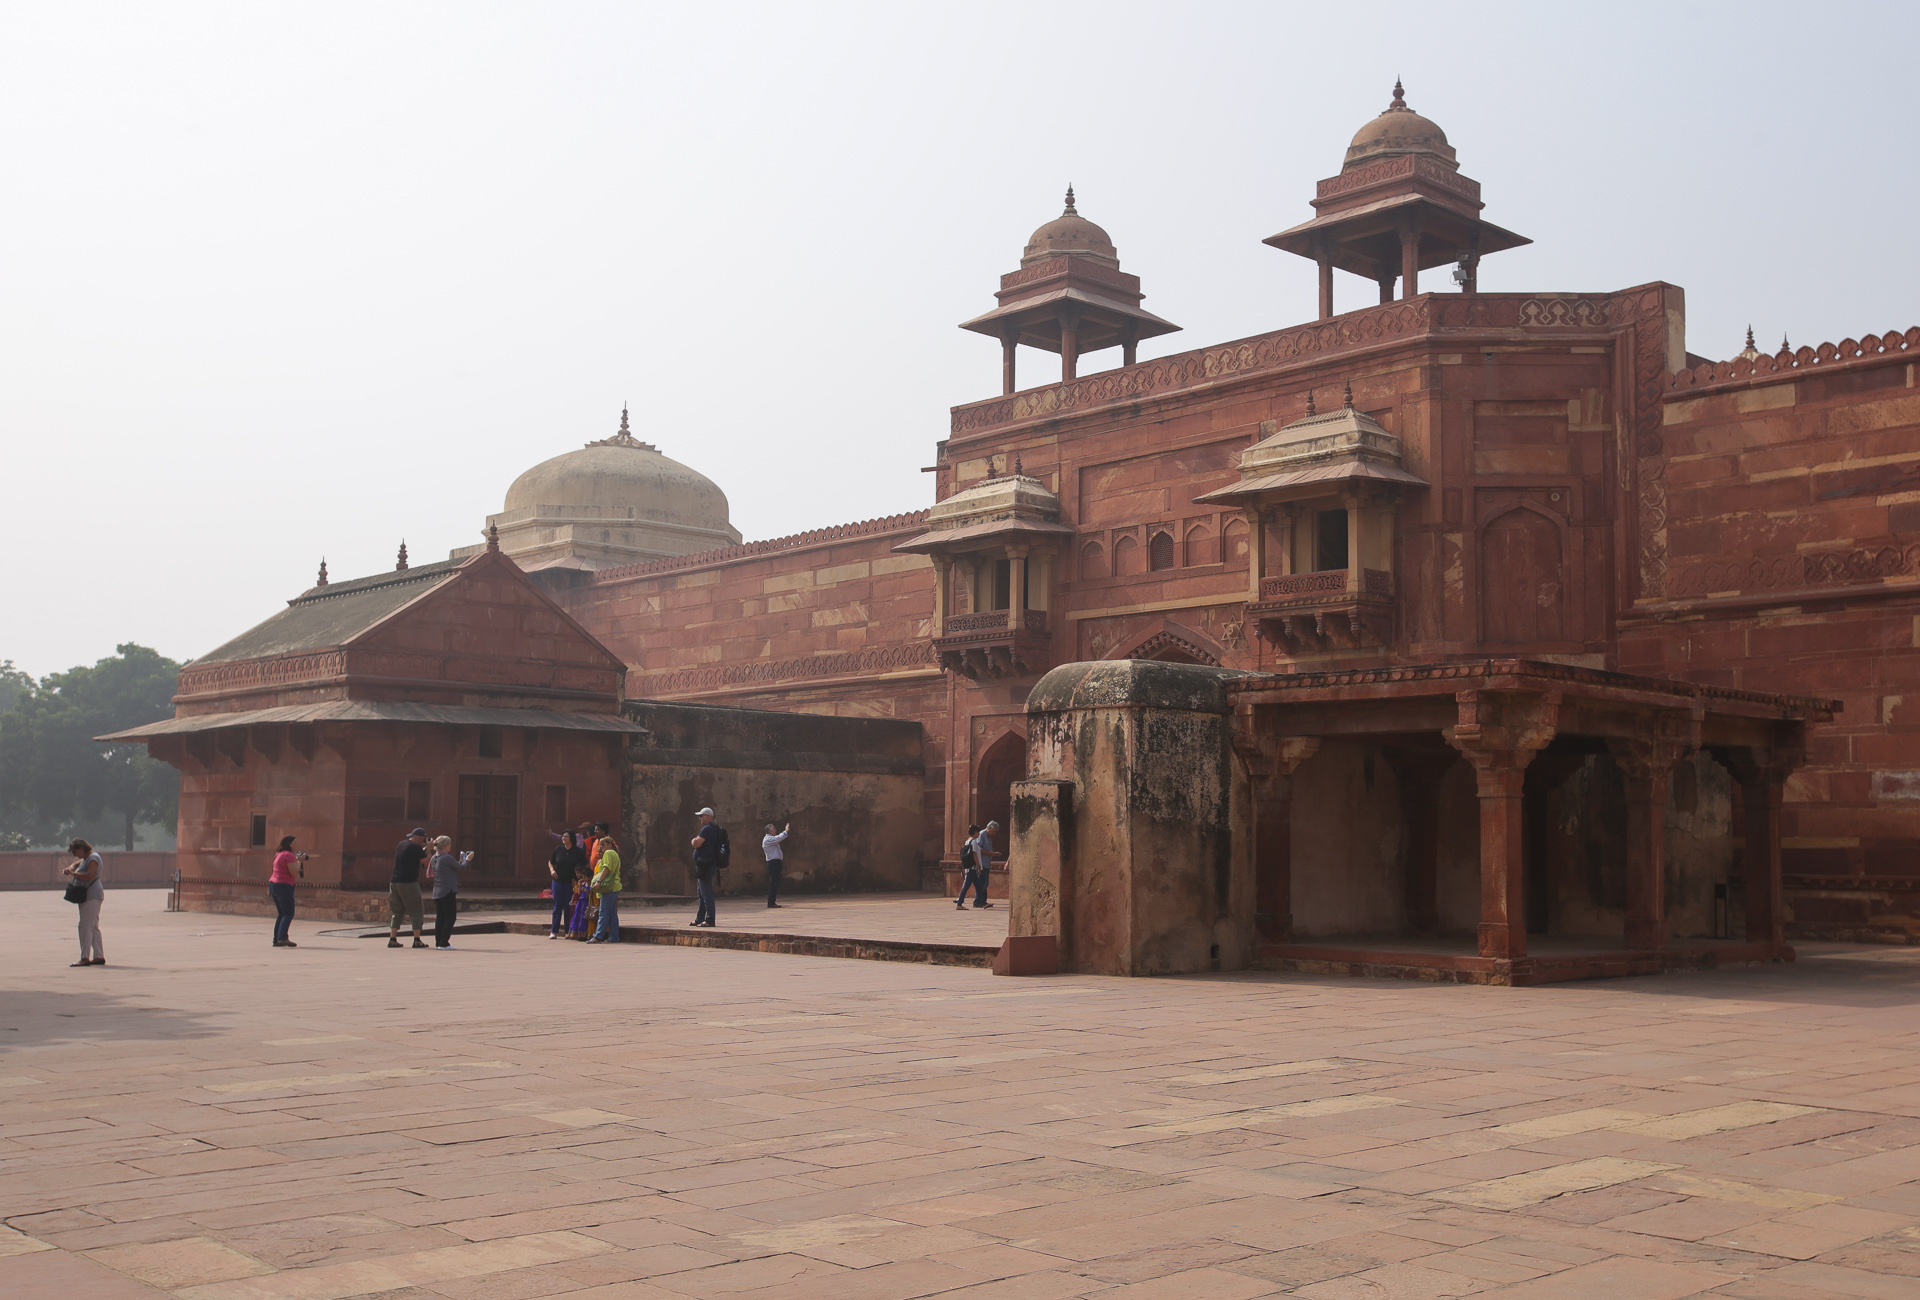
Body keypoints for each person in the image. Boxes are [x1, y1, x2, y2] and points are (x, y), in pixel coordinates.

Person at [63, 839, 105, 967]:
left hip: (91, 895)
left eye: (76, 851)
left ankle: (85, 957)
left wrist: (75, 874)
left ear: (81, 848)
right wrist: (70, 868)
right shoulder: (87, 858)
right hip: (91, 895)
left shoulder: (93, 858)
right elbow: (76, 863)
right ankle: (98, 955)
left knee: (85, 926)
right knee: (92, 926)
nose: (75, 854)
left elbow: (90, 875)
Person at [389, 828, 430, 949]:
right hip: (408, 883)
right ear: (421, 838)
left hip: (394, 882)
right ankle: (417, 940)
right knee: (416, 911)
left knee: (397, 912)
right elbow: (427, 862)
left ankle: (392, 939)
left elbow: (413, 855)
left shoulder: (401, 844)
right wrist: (428, 848)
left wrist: (424, 848)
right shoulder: (416, 848)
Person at [689, 807, 728, 927]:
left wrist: (693, 840)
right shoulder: (715, 828)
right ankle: (700, 918)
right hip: (708, 863)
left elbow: (697, 843)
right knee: (701, 892)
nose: (700, 818)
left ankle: (710, 919)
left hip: (706, 864)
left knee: (706, 892)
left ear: (708, 816)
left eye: (701, 816)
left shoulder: (707, 829)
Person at [428, 836, 467, 949]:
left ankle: (438, 941)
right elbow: (461, 868)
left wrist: (461, 861)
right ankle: (444, 942)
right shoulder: (446, 857)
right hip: (447, 890)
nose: (450, 846)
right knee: (450, 917)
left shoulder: (434, 858)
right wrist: (468, 860)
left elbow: (455, 866)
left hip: (438, 890)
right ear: (445, 846)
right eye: (449, 844)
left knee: (440, 917)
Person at [548, 831, 587, 939]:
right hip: (558, 881)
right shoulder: (558, 849)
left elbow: (584, 864)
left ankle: (567, 930)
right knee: (557, 906)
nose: (564, 838)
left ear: (571, 838)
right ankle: (554, 931)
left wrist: (580, 876)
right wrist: (552, 871)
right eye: (563, 836)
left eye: (566, 836)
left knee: (568, 906)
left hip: (571, 882)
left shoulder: (577, 851)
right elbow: (551, 862)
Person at [268, 835, 305, 948]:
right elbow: (294, 872)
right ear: (289, 844)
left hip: (274, 884)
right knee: (288, 913)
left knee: (282, 913)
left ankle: (277, 939)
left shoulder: (279, 854)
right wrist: (300, 861)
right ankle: (282, 938)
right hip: (283, 886)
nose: (296, 845)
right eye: (294, 843)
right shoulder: (288, 855)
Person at [588, 834, 623, 943]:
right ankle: (614, 936)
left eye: (603, 844)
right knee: (612, 913)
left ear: (610, 844)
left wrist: (599, 881)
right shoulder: (615, 854)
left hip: (609, 886)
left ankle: (598, 936)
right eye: (600, 844)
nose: (601, 847)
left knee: (603, 912)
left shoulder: (608, 853)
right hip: (615, 886)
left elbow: (606, 868)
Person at [968, 821, 999, 909]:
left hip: (986, 863)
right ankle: (978, 901)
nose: (994, 834)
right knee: (981, 883)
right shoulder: (981, 835)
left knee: (985, 883)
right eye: (993, 831)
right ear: (989, 828)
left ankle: (983, 901)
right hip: (981, 863)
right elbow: (978, 850)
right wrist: (991, 853)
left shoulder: (988, 836)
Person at [762, 822, 790, 908]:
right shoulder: (768, 839)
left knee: (775, 882)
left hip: (776, 862)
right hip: (773, 862)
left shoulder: (771, 839)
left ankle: (772, 901)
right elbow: (779, 838)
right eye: (774, 829)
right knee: (774, 882)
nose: (775, 830)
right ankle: (771, 902)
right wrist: (786, 831)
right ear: (770, 830)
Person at [954, 824, 980, 911]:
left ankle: (982, 902)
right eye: (978, 832)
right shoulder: (974, 842)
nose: (979, 834)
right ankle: (959, 903)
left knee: (978, 886)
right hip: (972, 868)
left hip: (968, 867)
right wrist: (978, 866)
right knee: (966, 886)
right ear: (975, 832)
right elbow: (974, 854)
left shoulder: (967, 841)